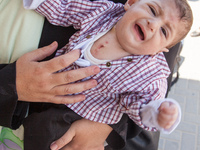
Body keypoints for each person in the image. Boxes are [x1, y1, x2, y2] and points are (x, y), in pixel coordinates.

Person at [22, 0, 193, 149]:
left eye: (164, 31)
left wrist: (158, 113)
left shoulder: (150, 73)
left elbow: (143, 104)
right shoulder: (105, 12)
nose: (153, 25)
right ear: (131, 3)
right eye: (153, 11)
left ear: (161, 50)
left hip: (80, 114)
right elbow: (67, 9)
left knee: (48, 134)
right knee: (21, 105)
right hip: (48, 83)